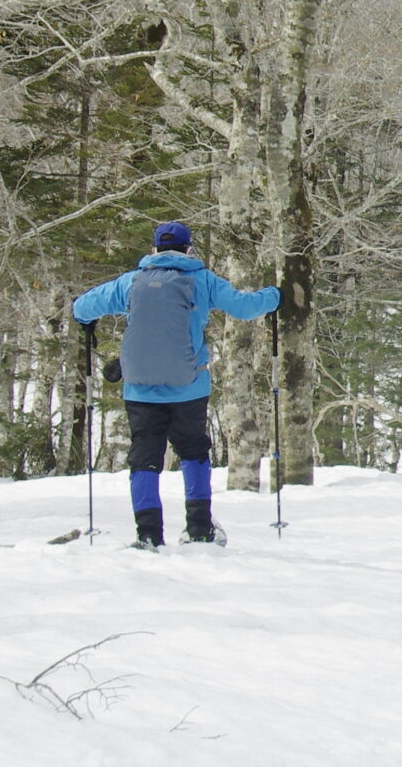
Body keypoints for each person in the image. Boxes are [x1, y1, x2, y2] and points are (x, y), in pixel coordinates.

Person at [70, 221, 281, 550]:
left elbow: (82, 308)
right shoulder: (202, 280)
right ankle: (199, 530)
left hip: (140, 389)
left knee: (144, 458)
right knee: (194, 453)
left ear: (153, 249)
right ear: (188, 249)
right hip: (189, 386)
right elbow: (244, 307)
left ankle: (148, 536)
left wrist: (86, 320)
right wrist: (275, 296)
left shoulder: (132, 281)